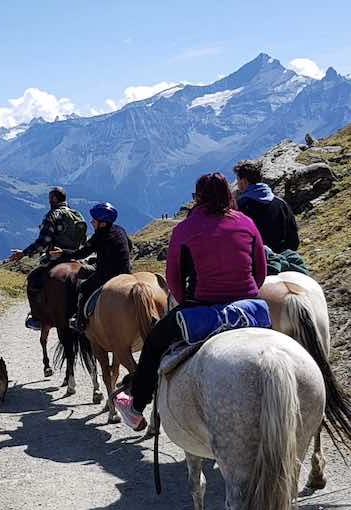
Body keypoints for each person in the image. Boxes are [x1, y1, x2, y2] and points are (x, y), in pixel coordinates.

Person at [114, 172, 267, 431]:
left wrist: (187, 302)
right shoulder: (246, 222)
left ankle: (137, 406)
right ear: (229, 195)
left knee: (153, 343)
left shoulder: (186, 228)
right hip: (251, 309)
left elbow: (173, 278)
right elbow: (260, 272)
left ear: (198, 197)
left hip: (203, 307)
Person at [7, 186, 89, 331]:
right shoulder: (77, 215)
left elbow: (43, 241)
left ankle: (36, 318)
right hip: (76, 257)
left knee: (33, 279)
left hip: (55, 258)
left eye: (50, 198)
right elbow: (83, 240)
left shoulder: (53, 215)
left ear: (54, 199)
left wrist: (24, 253)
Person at [48, 202, 133, 332]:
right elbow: (130, 246)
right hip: (126, 273)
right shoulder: (120, 230)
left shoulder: (99, 235)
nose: (92, 222)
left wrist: (62, 253)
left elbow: (81, 254)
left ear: (103, 223)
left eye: (94, 220)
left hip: (108, 275)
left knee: (84, 288)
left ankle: (79, 320)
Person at [233, 160, 299, 256]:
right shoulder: (281, 203)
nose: (238, 184)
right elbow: (294, 238)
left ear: (244, 181)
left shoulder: (241, 207)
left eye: (238, 180)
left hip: (258, 262)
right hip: (284, 257)